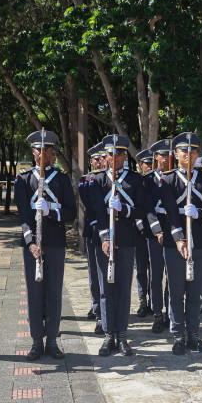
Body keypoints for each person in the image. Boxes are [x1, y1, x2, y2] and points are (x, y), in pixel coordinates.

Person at [14, 130, 77, 361]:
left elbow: (70, 212)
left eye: (48, 151)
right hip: (32, 245)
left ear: (53, 154)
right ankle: (36, 341)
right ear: (33, 152)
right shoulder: (23, 179)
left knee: (54, 293)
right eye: (40, 150)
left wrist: (51, 211)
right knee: (34, 293)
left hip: (55, 243)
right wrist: (30, 242)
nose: (44, 154)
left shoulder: (61, 179)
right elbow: (23, 215)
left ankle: (51, 340)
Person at [88, 134, 147, 356]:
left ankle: (121, 335)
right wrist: (105, 238)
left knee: (123, 289)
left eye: (120, 154)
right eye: (111, 154)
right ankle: (108, 335)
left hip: (127, 240)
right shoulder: (97, 180)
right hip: (103, 242)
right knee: (106, 289)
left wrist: (125, 209)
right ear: (106, 156)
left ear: (125, 156)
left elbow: (142, 209)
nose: (115, 158)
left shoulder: (135, 180)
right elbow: (95, 211)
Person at [158, 132, 202, 354]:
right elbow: (171, 212)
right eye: (184, 151)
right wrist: (179, 239)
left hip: (200, 241)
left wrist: (199, 213)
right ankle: (177, 335)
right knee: (176, 291)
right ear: (176, 154)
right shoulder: (168, 179)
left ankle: (193, 334)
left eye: (193, 151)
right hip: (175, 243)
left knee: (195, 292)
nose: (189, 154)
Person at [144, 138, 172, 334]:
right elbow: (147, 207)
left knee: (173, 275)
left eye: (169, 155)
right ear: (156, 157)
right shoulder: (148, 179)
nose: (166, 159)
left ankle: (171, 312)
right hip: (156, 232)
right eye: (163, 155)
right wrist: (157, 230)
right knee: (156, 275)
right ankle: (157, 314)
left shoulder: (177, 177)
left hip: (174, 231)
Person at [80, 142, 106, 334]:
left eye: (103, 158)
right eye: (97, 159)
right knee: (95, 274)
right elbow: (89, 203)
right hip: (94, 230)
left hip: (114, 231)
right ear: (92, 161)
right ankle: (97, 310)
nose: (100, 162)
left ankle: (108, 311)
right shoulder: (86, 180)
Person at [134, 148, 155, 318]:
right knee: (141, 269)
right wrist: (140, 226)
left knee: (155, 270)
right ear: (141, 165)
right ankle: (143, 301)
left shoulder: (158, 181)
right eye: (147, 164)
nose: (150, 167)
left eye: (152, 163)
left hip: (155, 231)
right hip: (140, 232)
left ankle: (154, 302)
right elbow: (135, 206)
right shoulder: (138, 181)